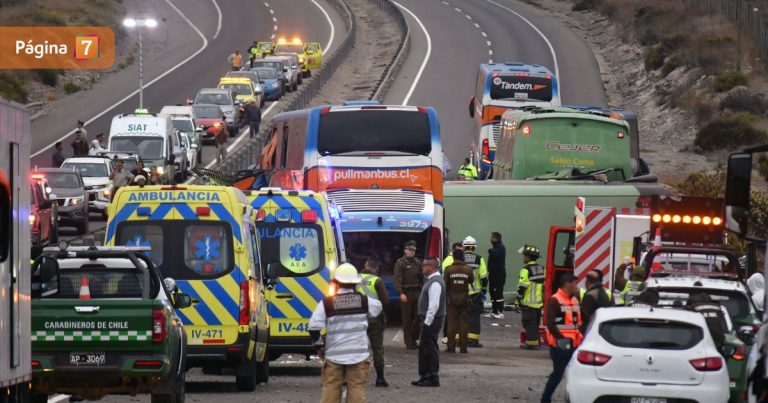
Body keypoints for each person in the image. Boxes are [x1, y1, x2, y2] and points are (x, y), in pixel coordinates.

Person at [308, 263, 382, 403]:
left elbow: (313, 326)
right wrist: (359, 298)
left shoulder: (327, 303)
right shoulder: (364, 301)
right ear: (356, 283)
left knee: (331, 387)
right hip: (358, 355)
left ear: (336, 282)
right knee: (356, 387)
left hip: (334, 354)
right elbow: (378, 307)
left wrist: (319, 347)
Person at [541, 272, 582, 403]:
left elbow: (580, 320)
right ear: (567, 284)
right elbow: (550, 323)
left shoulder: (574, 299)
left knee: (576, 375)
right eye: (574, 283)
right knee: (557, 375)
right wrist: (561, 339)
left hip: (575, 344)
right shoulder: (555, 300)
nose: (577, 286)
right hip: (560, 345)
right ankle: (545, 399)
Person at [412, 257, 446, 387]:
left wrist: (427, 322)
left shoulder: (435, 282)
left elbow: (434, 305)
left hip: (431, 320)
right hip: (429, 319)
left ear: (431, 267)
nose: (422, 267)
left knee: (429, 348)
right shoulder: (431, 280)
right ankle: (425, 375)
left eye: (424, 265)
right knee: (426, 347)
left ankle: (431, 377)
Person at [356, 258, 389, 387]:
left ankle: (355, 377)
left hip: (358, 318)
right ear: (376, 269)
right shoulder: (377, 281)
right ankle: (380, 378)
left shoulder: (354, 278)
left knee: (358, 348)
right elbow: (385, 301)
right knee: (377, 348)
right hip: (374, 318)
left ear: (365, 265)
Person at [394, 240, 423, 350]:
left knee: (418, 316)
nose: (412, 252)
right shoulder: (401, 263)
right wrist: (401, 293)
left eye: (413, 250)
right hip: (406, 293)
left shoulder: (417, 262)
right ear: (405, 250)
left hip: (417, 292)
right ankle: (408, 341)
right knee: (407, 319)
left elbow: (422, 277)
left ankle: (415, 338)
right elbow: (397, 278)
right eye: (410, 250)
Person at [443, 249, 473, 353]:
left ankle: (451, 348)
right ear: (463, 258)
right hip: (464, 299)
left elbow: (445, 284)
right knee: (463, 324)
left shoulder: (448, 270)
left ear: (454, 258)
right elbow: (471, 280)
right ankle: (463, 348)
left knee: (452, 324)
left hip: (451, 299)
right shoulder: (468, 269)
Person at [462, 236, 488, 347]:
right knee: (474, 316)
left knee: (460, 316)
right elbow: (484, 277)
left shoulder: (459, 257)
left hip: (460, 292)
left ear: (464, 247)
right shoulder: (479, 259)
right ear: (474, 247)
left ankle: (459, 339)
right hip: (475, 293)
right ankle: (473, 340)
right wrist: (483, 290)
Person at [517, 244, 545, 349]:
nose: (523, 257)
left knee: (529, 323)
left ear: (528, 257)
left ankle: (531, 343)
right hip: (538, 303)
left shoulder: (526, 270)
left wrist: (518, 299)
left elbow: (522, 287)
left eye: (525, 255)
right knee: (535, 323)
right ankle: (533, 341)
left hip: (528, 302)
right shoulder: (542, 269)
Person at [487, 232, 506, 319]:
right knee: (492, 291)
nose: (490, 239)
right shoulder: (495, 247)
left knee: (498, 292)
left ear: (496, 238)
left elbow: (495, 254)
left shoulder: (500, 247)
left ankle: (500, 312)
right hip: (492, 273)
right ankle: (494, 311)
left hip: (499, 274)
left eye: (492, 237)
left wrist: (490, 250)